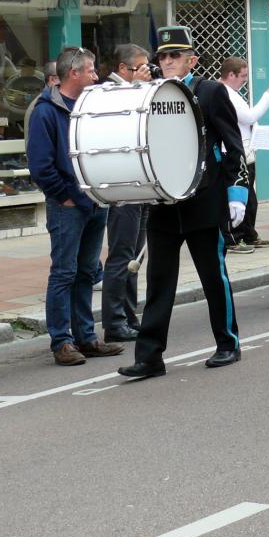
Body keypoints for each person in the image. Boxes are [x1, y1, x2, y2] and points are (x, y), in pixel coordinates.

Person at [117, 26, 250, 378]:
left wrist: (237, 194)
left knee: (212, 276)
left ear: (192, 58)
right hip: (163, 203)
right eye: (162, 56)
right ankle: (149, 356)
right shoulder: (150, 93)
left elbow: (234, 146)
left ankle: (227, 342)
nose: (167, 61)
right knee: (159, 280)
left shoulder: (210, 92)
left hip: (204, 199)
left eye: (174, 55)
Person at [27, 49, 123, 366]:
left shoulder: (89, 106)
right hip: (68, 206)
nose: (96, 77)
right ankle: (62, 341)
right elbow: (41, 165)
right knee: (64, 273)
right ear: (74, 74)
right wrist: (64, 195)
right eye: (91, 71)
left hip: (95, 200)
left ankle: (86, 337)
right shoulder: (45, 111)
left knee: (85, 273)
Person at [99, 44, 154, 344]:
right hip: (122, 187)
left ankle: (129, 316)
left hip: (140, 185)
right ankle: (114, 321)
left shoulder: (133, 88)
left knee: (134, 258)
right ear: (123, 69)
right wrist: (138, 88)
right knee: (121, 256)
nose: (145, 72)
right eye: (139, 67)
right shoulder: (108, 92)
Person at [219, 57, 269, 253]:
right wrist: (267, 97)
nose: (245, 80)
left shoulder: (231, 93)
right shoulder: (225, 93)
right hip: (233, 152)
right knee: (238, 197)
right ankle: (234, 237)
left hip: (244, 150)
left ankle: (248, 233)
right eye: (243, 76)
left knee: (250, 197)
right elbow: (249, 116)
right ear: (231, 75)